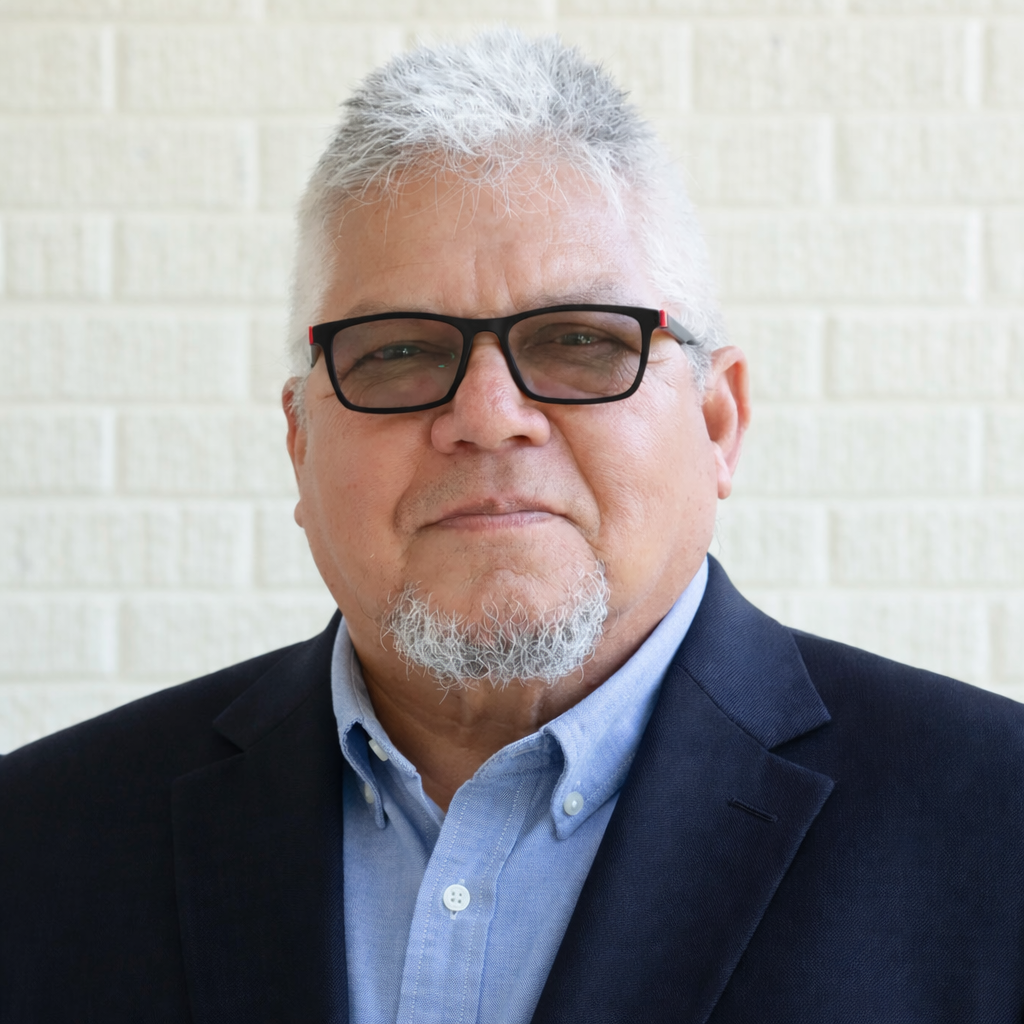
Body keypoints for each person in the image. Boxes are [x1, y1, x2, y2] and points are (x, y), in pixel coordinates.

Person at [1, 29, 1022, 1024]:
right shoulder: (38, 843)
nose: (488, 416)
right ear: (300, 443)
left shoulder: (997, 826)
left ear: (717, 423)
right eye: (397, 353)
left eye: (579, 341)